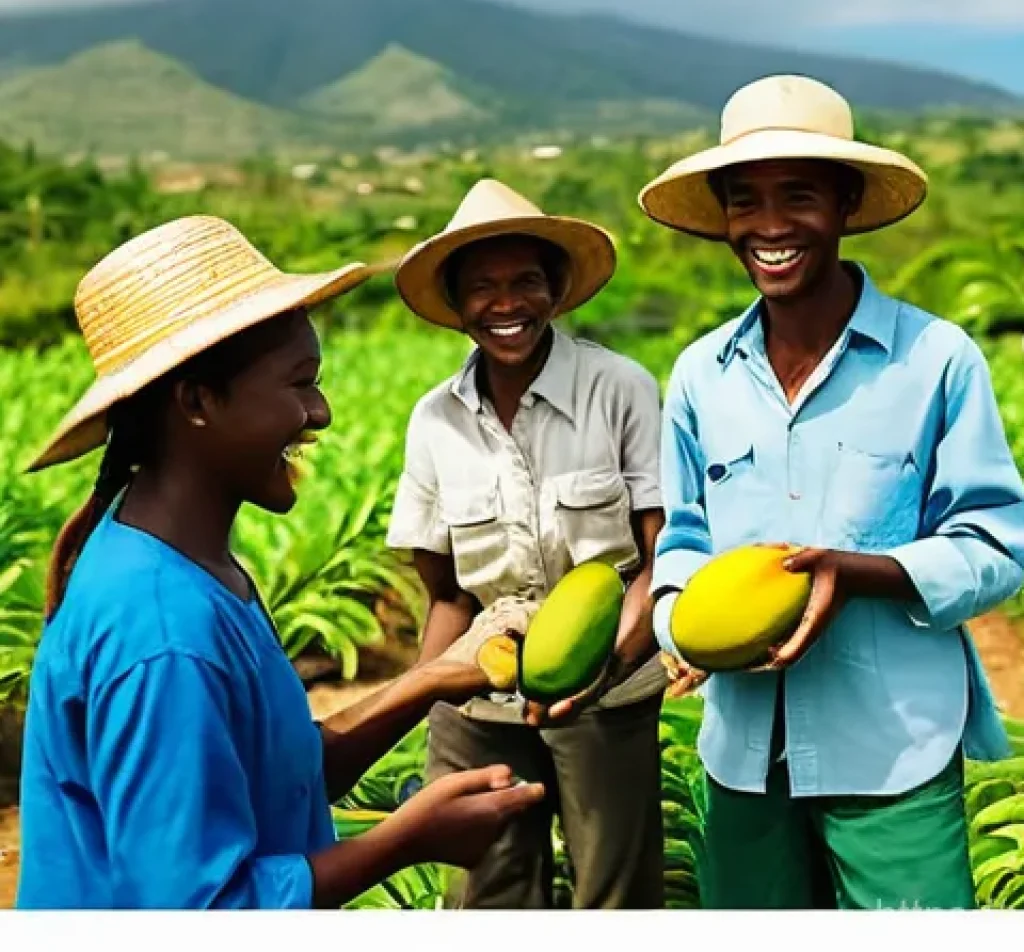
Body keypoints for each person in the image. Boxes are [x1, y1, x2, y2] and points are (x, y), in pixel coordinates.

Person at [15, 215, 545, 910]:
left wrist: (434, 680)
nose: (319, 412)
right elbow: (202, 911)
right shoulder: (161, 629)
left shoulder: (190, 566)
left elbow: (283, 774)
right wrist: (408, 838)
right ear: (198, 402)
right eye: (299, 384)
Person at [638, 74, 1024, 910]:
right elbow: (681, 544)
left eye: (799, 196)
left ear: (847, 202)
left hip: (892, 743)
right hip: (741, 747)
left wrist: (860, 572)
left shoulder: (935, 360)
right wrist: (681, 622)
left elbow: (999, 545)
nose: (770, 226)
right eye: (747, 202)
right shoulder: (703, 374)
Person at [386, 179, 669, 909]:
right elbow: (446, 592)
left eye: (525, 282)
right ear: (456, 303)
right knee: (486, 895)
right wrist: (427, 700)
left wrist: (600, 674)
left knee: (613, 891)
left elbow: (656, 558)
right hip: (480, 697)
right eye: (482, 287)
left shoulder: (620, 388)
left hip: (609, 687)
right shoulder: (434, 420)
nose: (505, 305)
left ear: (557, 289)